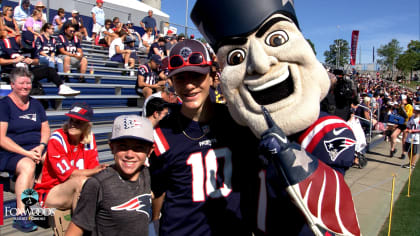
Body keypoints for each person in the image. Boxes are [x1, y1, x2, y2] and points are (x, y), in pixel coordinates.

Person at [191, 0, 360, 235]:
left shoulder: (325, 130)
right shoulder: (245, 132)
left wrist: (289, 155)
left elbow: (334, 207)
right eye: (236, 57)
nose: (259, 64)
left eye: (276, 40)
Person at [149, 39, 256, 236]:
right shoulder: (162, 133)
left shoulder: (237, 121)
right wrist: (155, 221)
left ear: (212, 76)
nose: (189, 85)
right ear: (171, 82)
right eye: (180, 78)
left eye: (196, 75)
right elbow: (157, 187)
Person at [65, 115, 154, 236]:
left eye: (138, 148)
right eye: (123, 146)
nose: (129, 154)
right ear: (112, 147)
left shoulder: (148, 175)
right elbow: (74, 230)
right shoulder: (98, 184)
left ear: (149, 151)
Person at [0, 67, 50, 232]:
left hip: (35, 148)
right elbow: (2, 139)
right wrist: (28, 153)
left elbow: (45, 130)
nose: (25, 86)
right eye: (21, 83)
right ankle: (21, 215)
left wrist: (41, 146)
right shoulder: (4, 105)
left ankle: (47, 203)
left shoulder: (36, 104)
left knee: (55, 156)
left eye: (28, 83)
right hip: (11, 151)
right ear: (12, 84)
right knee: (28, 165)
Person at [35, 102, 107, 210]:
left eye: (78, 122)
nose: (73, 124)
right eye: (71, 120)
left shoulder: (89, 138)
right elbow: (70, 175)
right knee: (81, 182)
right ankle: (80, 226)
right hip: (50, 192)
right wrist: (96, 171)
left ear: (87, 125)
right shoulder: (57, 139)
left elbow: (93, 168)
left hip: (76, 190)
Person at [0, 28, 80, 96]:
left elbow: (37, 61)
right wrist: (14, 60)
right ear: (20, 37)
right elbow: (1, 61)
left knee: (49, 70)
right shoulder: (6, 43)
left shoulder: (33, 44)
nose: (25, 47)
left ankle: (62, 87)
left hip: (27, 72)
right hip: (11, 73)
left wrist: (31, 61)